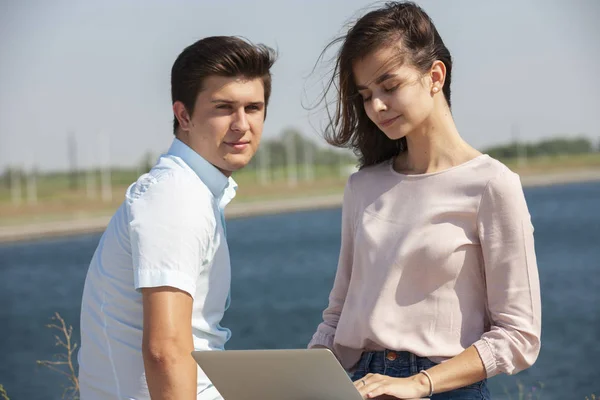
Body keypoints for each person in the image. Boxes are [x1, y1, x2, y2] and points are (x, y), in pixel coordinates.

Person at [307, 2, 541, 399]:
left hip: (446, 390)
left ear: (434, 75)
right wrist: (303, 379)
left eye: (389, 86)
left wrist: (418, 383)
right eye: (365, 95)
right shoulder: (362, 187)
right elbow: (338, 314)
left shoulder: (492, 185)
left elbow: (519, 335)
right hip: (361, 386)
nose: (376, 106)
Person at [78, 36, 276, 399]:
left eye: (253, 107)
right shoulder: (176, 196)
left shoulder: (192, 191)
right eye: (223, 107)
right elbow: (165, 351)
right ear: (183, 115)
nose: (241, 124)